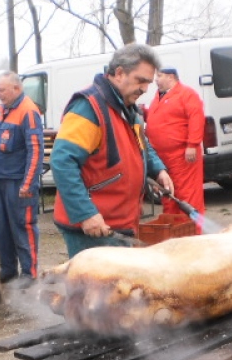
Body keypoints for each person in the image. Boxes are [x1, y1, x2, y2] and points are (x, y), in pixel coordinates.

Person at [50, 43, 174, 259]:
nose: (145, 89)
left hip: (119, 224)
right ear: (119, 73)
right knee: (95, 292)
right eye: (141, 80)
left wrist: (159, 170)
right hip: (93, 228)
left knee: (117, 290)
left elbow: (141, 144)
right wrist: (85, 213)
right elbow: (62, 162)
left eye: (148, 83)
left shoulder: (128, 108)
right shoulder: (88, 107)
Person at [0, 72, 43, 288]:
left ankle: (30, 273)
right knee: (2, 229)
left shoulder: (28, 111)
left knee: (23, 227)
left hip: (19, 183)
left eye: (1, 90)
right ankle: (8, 269)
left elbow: (35, 151)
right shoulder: (2, 109)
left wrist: (28, 184)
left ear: (16, 89)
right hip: (1, 180)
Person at [144, 67, 206, 225]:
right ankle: (173, 230)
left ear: (171, 77)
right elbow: (159, 116)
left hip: (182, 155)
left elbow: (196, 118)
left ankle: (191, 232)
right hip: (163, 158)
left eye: (159, 76)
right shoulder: (159, 96)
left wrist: (192, 144)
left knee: (187, 194)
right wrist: (144, 113)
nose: (155, 79)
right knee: (168, 194)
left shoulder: (187, 94)